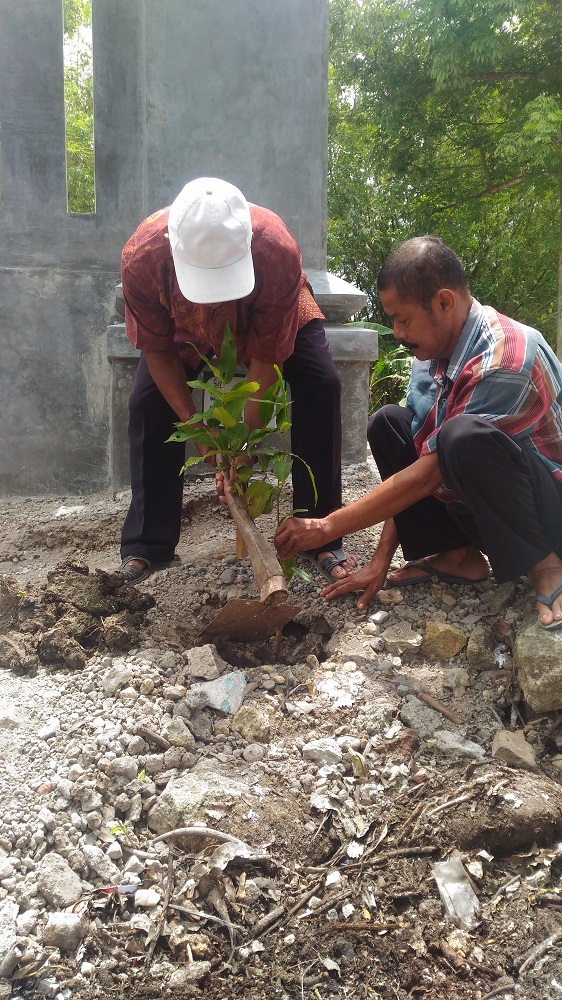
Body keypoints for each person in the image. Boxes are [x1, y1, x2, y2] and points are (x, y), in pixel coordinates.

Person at [275, 236, 562, 632]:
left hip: (550, 506)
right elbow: (419, 457)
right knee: (389, 423)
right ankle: (459, 554)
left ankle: (546, 564)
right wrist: (379, 562)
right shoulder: (435, 353)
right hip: (496, 499)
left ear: (444, 302)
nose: (396, 332)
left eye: (403, 319)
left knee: (460, 436)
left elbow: (429, 472)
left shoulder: (503, 359)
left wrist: (328, 527)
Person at [116, 177, 356, 583]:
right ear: (174, 249)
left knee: (322, 384)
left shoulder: (275, 250)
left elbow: (266, 357)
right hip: (182, 326)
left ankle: (321, 534)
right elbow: (156, 349)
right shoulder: (142, 257)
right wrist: (200, 431)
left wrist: (242, 441)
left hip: (268, 316)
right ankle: (148, 544)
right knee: (147, 404)